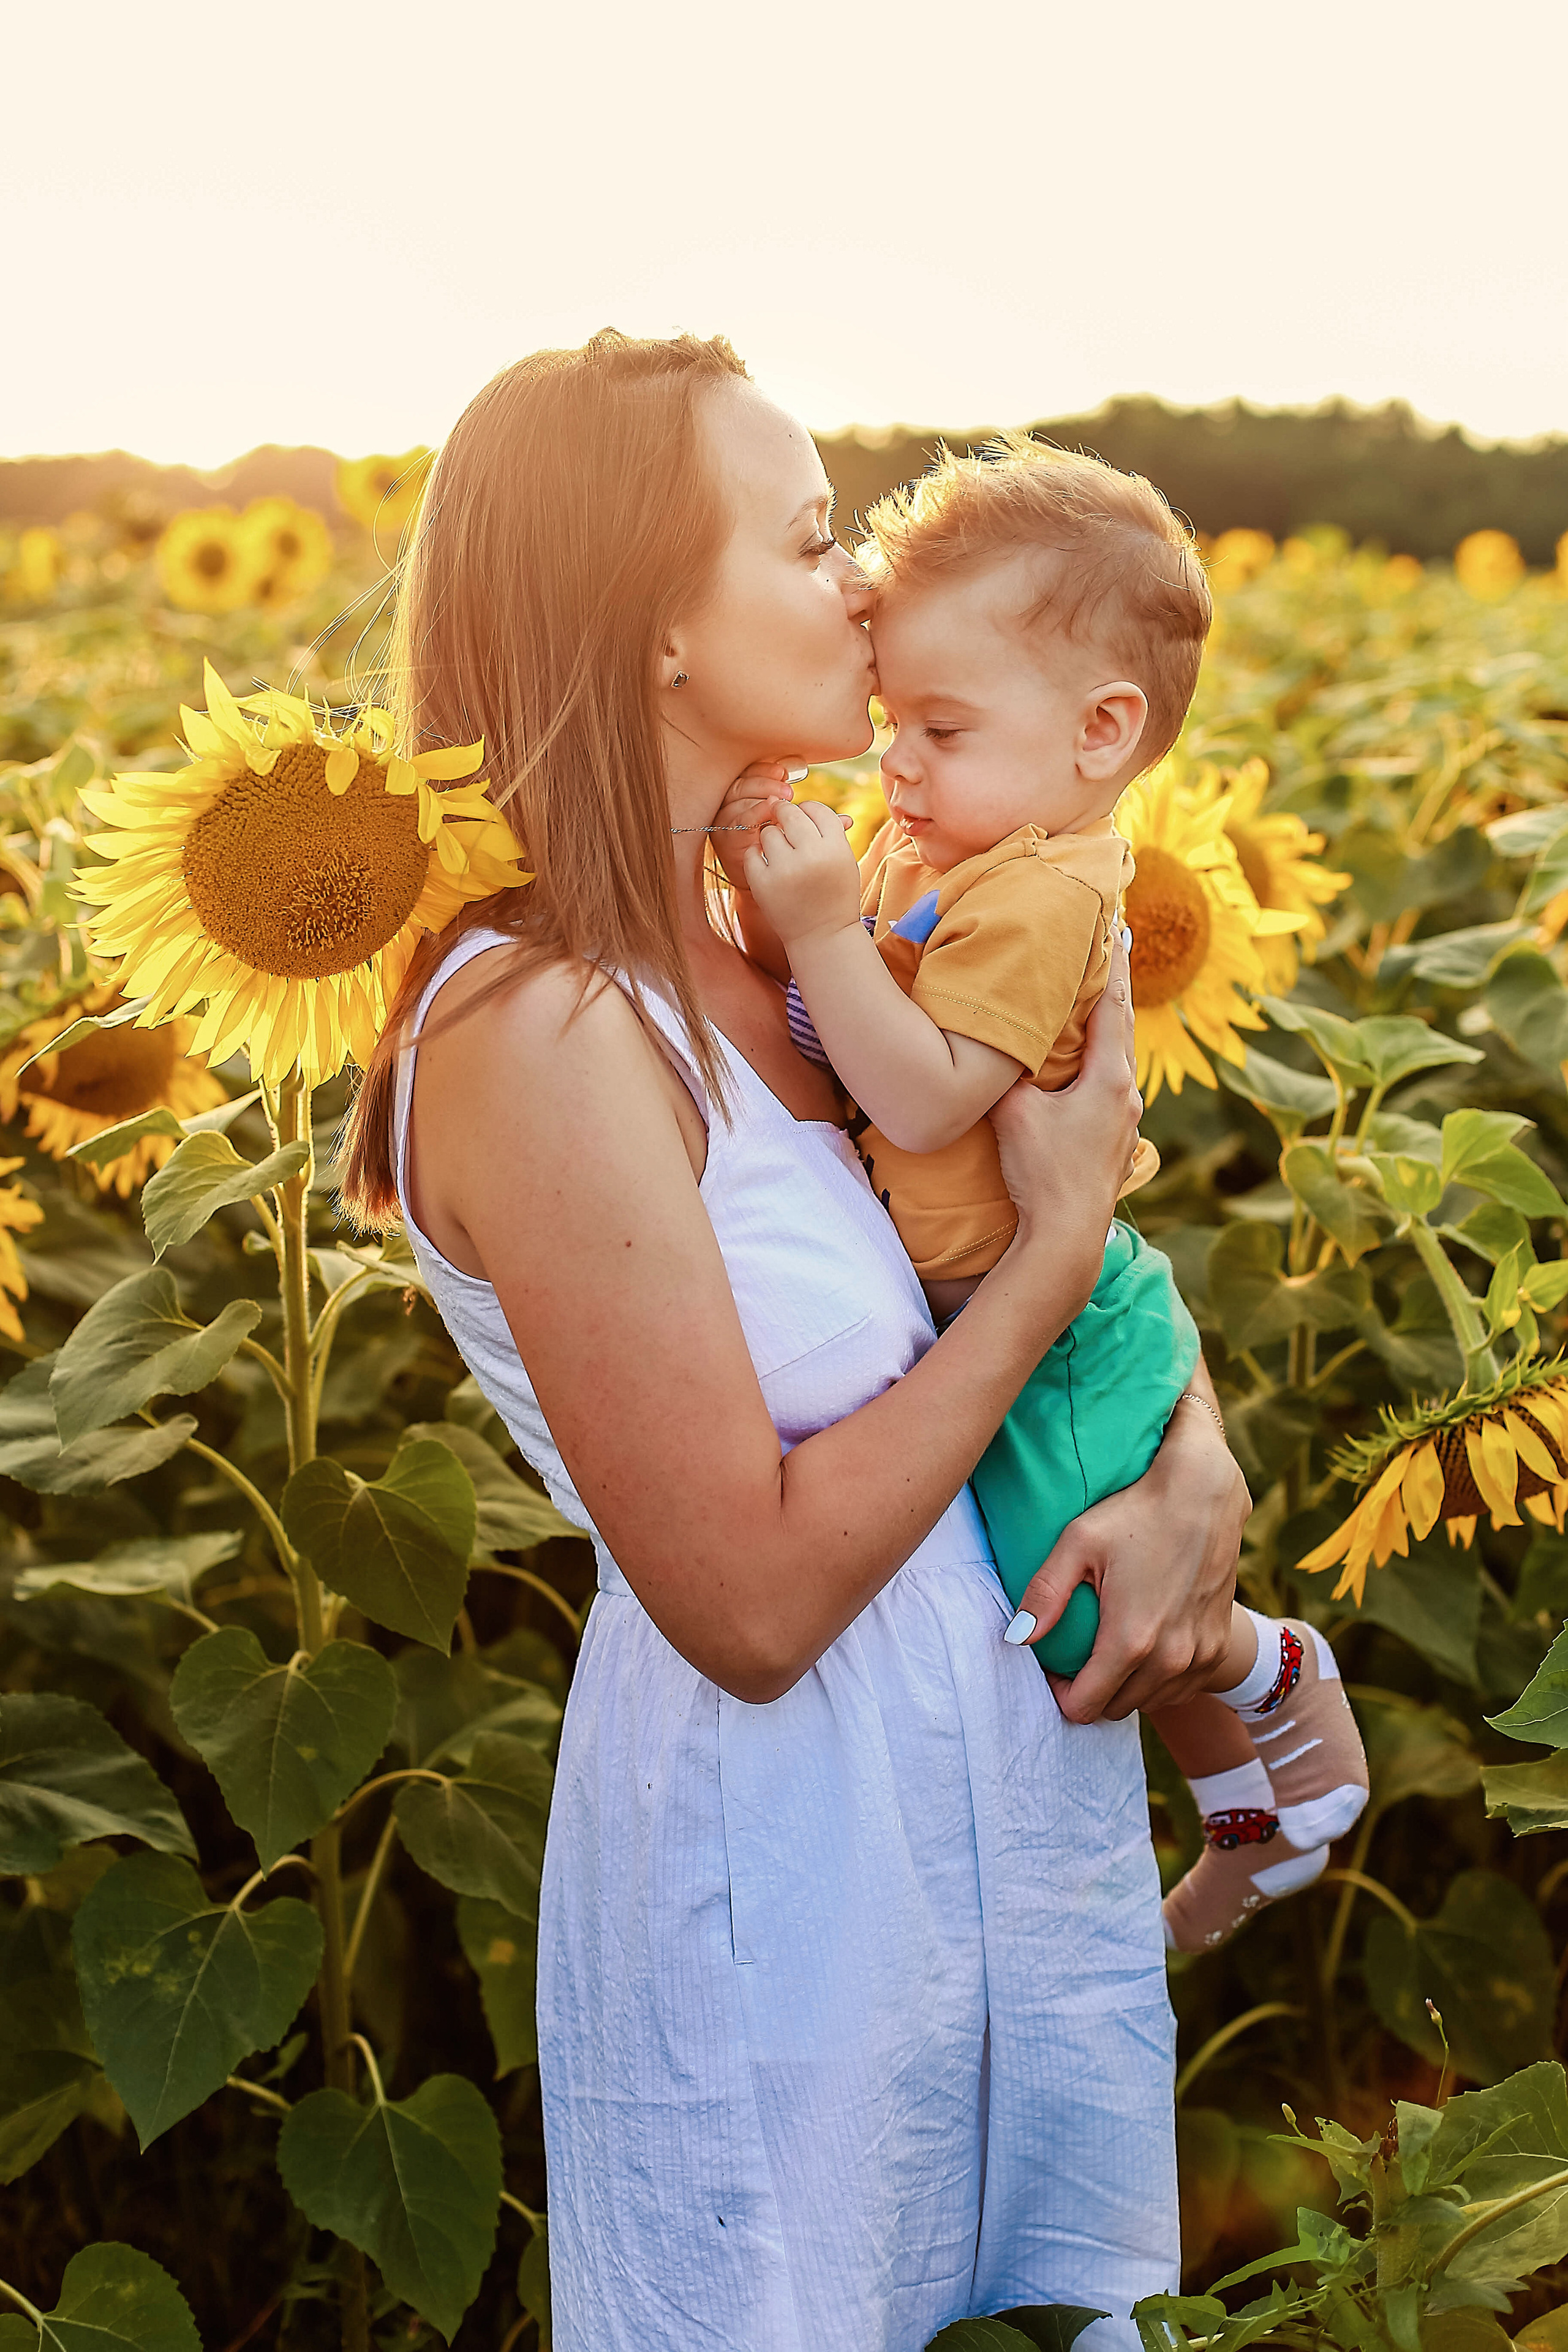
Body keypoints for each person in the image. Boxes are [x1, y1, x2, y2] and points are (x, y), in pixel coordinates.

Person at [340, 331, 1250, 2352]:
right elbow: (748, 1598)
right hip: (791, 1884)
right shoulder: (538, 1030)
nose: (861, 583)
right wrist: (1058, 1249)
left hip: (981, 1832)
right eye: (810, 534)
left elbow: (1001, 1277)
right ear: (654, 627)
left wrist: (1196, 1470)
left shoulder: (781, 949)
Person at [720, 436, 1368, 1954]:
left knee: (1085, 1610)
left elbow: (931, 1089)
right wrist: (783, 906)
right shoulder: (949, 831)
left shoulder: (1047, 885)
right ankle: (1250, 1823)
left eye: (938, 726)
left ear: (1099, 731)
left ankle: (1274, 1678)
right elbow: (834, 1003)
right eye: (893, 722)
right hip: (999, 1303)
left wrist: (815, 932)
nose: (894, 762)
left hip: (1052, 1324)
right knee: (1083, 1585)